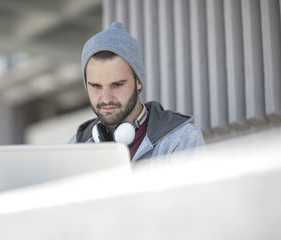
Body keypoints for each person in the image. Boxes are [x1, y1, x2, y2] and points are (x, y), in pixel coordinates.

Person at [69, 21, 205, 162]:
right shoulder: (75, 147)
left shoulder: (181, 139)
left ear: (138, 81)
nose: (106, 98)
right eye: (96, 86)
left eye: (117, 85)